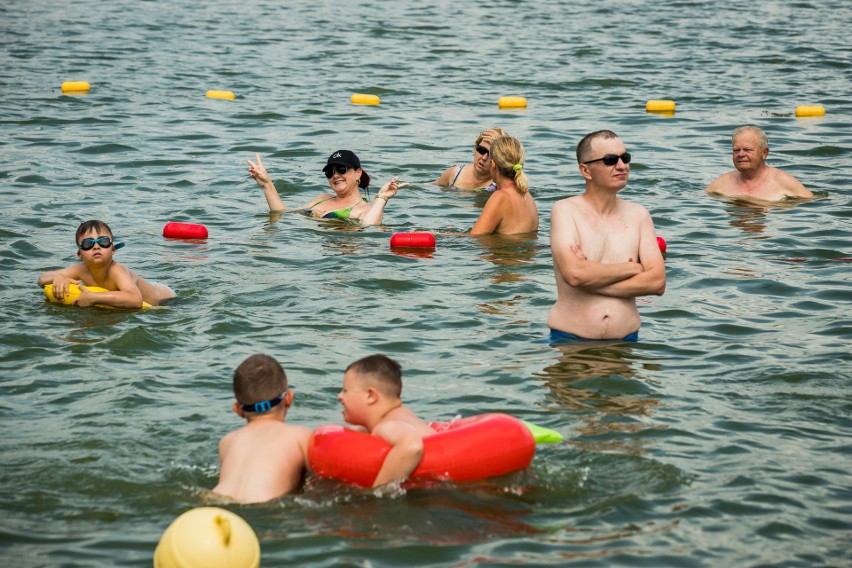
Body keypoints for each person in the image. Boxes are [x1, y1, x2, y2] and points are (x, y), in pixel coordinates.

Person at [547, 130, 666, 341]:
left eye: (625, 158)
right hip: (570, 340)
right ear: (586, 170)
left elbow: (657, 283)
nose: (622, 166)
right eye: (610, 160)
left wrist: (590, 281)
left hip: (626, 343)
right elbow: (574, 274)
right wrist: (632, 268)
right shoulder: (565, 211)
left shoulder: (639, 215)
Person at [213, 354, 311, 504]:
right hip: (262, 505)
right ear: (289, 398)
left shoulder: (226, 441)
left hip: (213, 503)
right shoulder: (301, 436)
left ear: (238, 410)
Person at [337, 354, 434, 488]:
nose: (339, 396)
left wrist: (376, 492)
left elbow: (411, 446)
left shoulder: (386, 425)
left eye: (345, 390)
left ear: (370, 396)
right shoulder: (399, 415)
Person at [37, 219, 175, 308]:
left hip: (164, 297)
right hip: (135, 285)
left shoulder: (116, 270)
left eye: (103, 242)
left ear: (113, 249)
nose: (96, 247)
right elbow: (42, 279)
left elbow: (135, 300)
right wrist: (57, 277)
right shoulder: (81, 269)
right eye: (87, 244)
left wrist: (93, 297)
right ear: (79, 253)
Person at [247, 150, 408, 225]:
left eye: (342, 170)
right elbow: (282, 214)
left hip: (346, 256)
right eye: (330, 172)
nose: (335, 175)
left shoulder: (365, 210)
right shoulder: (321, 199)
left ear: (358, 173)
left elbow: (370, 227)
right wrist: (267, 185)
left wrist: (382, 198)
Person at [705, 126, 813, 201]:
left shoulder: (784, 182)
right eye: (736, 150)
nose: (741, 154)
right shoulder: (721, 183)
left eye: (747, 150)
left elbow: (812, 204)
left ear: (764, 153)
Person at [470, 135, 539, 235]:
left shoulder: (500, 197)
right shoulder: (527, 195)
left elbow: (475, 238)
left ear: (493, 164)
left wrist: (445, 234)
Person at [434, 128, 507, 191]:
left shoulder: (501, 184)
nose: (484, 158)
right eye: (481, 150)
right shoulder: (454, 174)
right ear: (475, 148)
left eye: (491, 154)